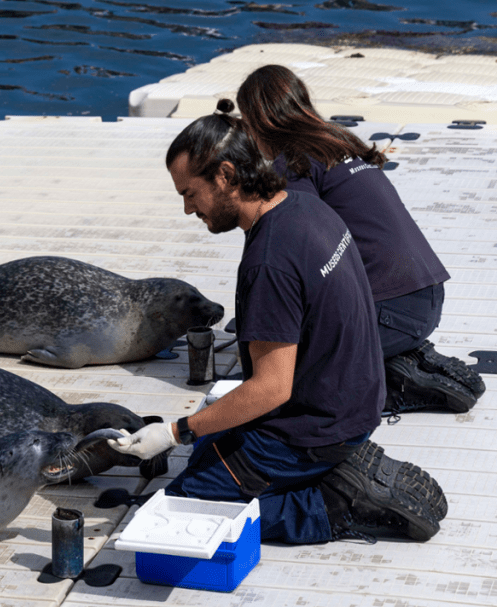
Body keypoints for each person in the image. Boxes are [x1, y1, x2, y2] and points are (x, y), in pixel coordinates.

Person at [110, 102, 446, 544]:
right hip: (357, 399)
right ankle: (334, 464)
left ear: (226, 176)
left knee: (190, 498)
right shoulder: (305, 207)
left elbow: (271, 389)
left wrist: (174, 431)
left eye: (190, 193)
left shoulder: (268, 264)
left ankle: (332, 503)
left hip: (317, 427)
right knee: (208, 449)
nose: (189, 210)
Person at [236, 64, 485, 415]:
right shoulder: (338, 141)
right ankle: (400, 356)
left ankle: (394, 388)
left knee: (289, 383)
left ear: (259, 121)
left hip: (391, 311)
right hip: (425, 297)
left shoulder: (292, 163)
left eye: (246, 123)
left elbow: (289, 249)